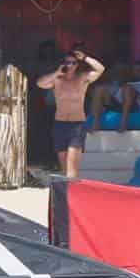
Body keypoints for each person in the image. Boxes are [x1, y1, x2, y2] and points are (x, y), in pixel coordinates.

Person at [36, 46, 104, 179]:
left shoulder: (82, 78)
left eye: (73, 63)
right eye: (67, 62)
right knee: (64, 166)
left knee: (72, 164)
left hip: (77, 125)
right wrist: (57, 72)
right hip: (60, 124)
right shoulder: (57, 79)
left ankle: (71, 195)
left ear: (77, 65)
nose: (70, 65)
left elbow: (101, 69)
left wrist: (85, 57)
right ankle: (66, 194)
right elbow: (40, 83)